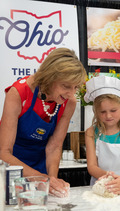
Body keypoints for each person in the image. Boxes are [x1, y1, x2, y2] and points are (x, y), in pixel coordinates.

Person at [0, 47, 86, 197]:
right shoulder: (18, 93)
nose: (71, 93)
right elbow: (4, 152)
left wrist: (51, 181)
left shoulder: (69, 102)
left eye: (75, 87)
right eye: (66, 86)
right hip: (11, 168)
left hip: (41, 166)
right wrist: (41, 178)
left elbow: (54, 146)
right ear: (49, 77)